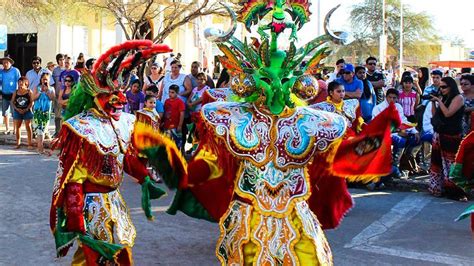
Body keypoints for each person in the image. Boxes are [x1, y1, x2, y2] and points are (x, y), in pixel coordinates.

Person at [49, 40, 171, 265]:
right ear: (95, 97)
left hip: (114, 199)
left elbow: (124, 157)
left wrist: (144, 177)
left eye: (118, 95)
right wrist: (75, 212)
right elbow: (73, 175)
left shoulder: (120, 123)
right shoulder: (82, 129)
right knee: (93, 256)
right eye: (110, 96)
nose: (119, 101)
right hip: (92, 203)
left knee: (119, 250)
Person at [428, 77, 465, 198]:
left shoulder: (458, 98)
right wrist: (433, 102)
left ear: (451, 87)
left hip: (451, 135)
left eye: (444, 87)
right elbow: (435, 115)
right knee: (437, 163)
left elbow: (448, 113)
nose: (441, 89)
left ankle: (454, 191)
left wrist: (439, 100)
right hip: (439, 134)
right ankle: (438, 188)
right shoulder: (444, 98)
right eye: (440, 87)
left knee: (450, 164)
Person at [373, 88, 419, 179]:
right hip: (381, 134)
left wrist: (415, 131)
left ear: (397, 98)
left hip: (396, 132)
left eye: (394, 98)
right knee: (400, 140)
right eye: (390, 97)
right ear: (386, 97)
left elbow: (403, 120)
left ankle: (404, 165)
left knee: (415, 138)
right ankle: (394, 166)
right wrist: (397, 131)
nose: (392, 100)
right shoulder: (378, 108)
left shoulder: (398, 107)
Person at [32, 73, 55, 154]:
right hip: (38, 111)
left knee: (44, 130)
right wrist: (40, 92)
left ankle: (40, 148)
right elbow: (33, 98)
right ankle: (40, 148)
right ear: (41, 79)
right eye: (43, 79)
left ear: (49, 80)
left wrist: (47, 90)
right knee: (39, 130)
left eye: (46, 79)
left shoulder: (51, 88)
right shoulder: (37, 88)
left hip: (46, 112)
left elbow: (52, 98)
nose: (45, 80)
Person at [11, 77, 33, 149]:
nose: (20, 85)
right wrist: (17, 109)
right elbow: (12, 101)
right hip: (18, 111)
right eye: (19, 83)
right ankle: (18, 143)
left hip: (27, 111)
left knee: (28, 127)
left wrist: (26, 109)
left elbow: (32, 102)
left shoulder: (29, 92)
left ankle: (29, 144)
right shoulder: (16, 92)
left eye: (22, 83)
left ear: (26, 84)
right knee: (18, 127)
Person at [1, 56, 21, 134]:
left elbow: (20, 82)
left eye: (7, 62)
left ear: (10, 63)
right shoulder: (1, 72)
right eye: (3, 63)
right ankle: (7, 129)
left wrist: (19, 92)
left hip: (14, 95)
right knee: (5, 113)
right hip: (4, 94)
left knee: (14, 113)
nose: (5, 64)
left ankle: (15, 129)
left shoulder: (15, 71)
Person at [163, 85, 185, 149]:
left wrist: (180, 125)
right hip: (167, 126)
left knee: (177, 143)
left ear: (177, 93)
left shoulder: (180, 102)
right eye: (169, 92)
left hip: (176, 126)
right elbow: (164, 112)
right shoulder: (167, 101)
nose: (170, 94)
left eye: (172, 92)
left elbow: (182, 114)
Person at [52, 53, 65, 136]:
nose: (62, 61)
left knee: (65, 115)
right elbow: (52, 83)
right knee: (57, 115)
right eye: (60, 60)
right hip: (57, 95)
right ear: (57, 61)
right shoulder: (55, 71)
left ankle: (64, 133)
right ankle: (57, 131)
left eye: (63, 59)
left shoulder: (68, 70)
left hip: (66, 96)